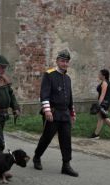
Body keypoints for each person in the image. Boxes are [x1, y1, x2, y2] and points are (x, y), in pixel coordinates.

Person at [32, 49, 78, 177]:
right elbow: (44, 94)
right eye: (62, 61)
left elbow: (69, 97)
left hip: (65, 114)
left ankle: (66, 165)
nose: (64, 64)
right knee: (46, 138)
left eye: (67, 61)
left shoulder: (68, 78)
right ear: (57, 61)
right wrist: (47, 110)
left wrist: (72, 112)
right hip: (52, 112)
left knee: (66, 139)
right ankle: (37, 157)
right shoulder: (49, 75)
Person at [90, 69, 110, 140]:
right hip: (106, 103)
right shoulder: (108, 83)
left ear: (103, 76)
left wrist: (98, 104)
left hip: (103, 103)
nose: (98, 75)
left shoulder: (104, 83)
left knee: (104, 117)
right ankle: (96, 134)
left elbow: (102, 95)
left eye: (99, 74)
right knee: (102, 118)